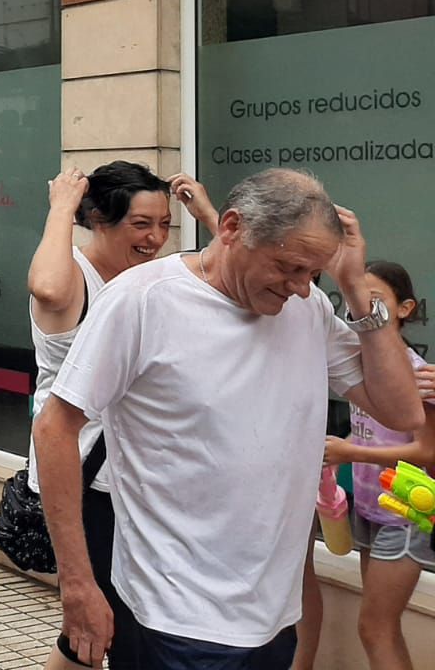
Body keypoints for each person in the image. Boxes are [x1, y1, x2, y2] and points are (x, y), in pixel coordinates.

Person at [34, 170, 423, 670]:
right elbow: (54, 429)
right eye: (288, 267)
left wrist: (355, 292)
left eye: (314, 273)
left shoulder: (306, 311)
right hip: (172, 614)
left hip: (274, 616)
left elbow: (402, 411)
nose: (302, 288)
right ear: (233, 227)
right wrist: (79, 586)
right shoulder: (142, 299)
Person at [26, 162, 204, 670]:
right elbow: (48, 289)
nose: (155, 237)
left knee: (96, 632)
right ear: (100, 219)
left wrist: (212, 216)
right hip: (85, 480)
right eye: (141, 224)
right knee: (103, 625)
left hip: (139, 478)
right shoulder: (74, 275)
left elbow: (236, 277)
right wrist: (62, 206)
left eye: (165, 224)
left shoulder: (151, 280)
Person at [323, 260, 435, 670]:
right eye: (356, 302)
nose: (364, 312)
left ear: (405, 308)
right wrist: (338, 458)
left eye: (377, 302)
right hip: (370, 511)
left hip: (405, 515)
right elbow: (372, 434)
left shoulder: (418, 375)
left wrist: (350, 454)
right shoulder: (361, 367)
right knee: (376, 628)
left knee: (375, 628)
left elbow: (427, 452)